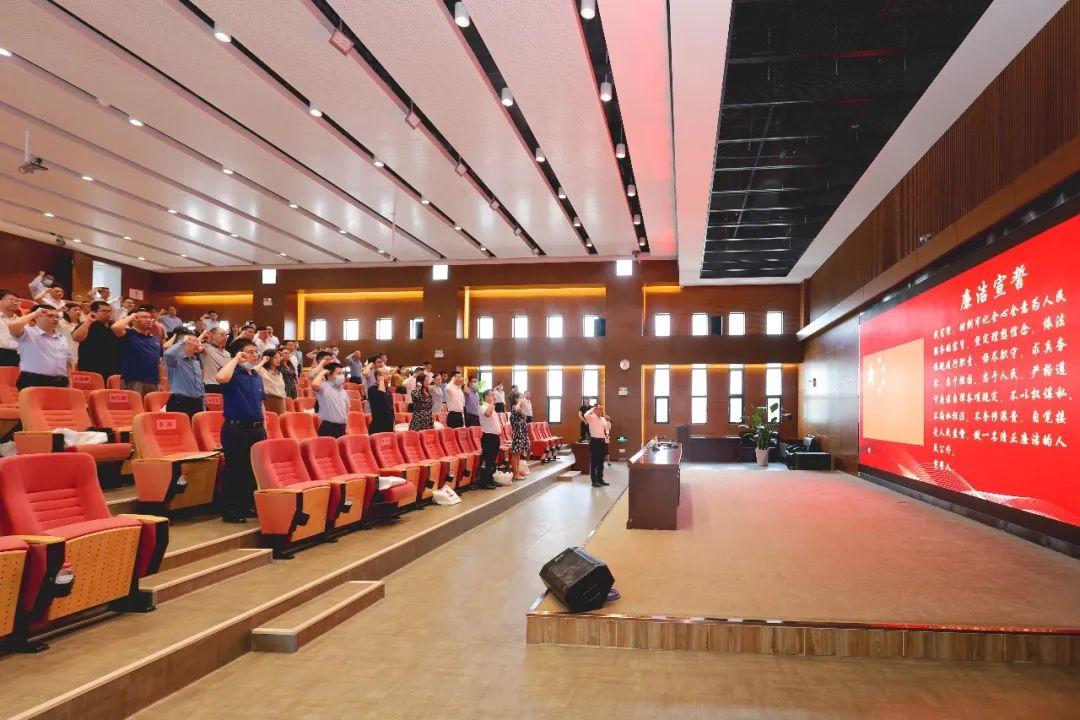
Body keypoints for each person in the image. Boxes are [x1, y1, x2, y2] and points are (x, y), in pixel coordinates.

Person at [215, 342, 266, 523]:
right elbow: (221, 377)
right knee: (235, 468)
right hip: (236, 428)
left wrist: (264, 427)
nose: (255, 355)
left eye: (256, 352)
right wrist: (236, 359)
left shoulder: (256, 376)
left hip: (256, 429)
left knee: (251, 470)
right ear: (240, 354)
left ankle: (246, 505)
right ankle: (230, 509)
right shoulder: (232, 372)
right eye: (250, 352)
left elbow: (261, 404)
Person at [8, 305, 74, 389]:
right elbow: (13, 325)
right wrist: (35, 313)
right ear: (37, 317)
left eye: (57, 316)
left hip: (61, 381)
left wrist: (69, 383)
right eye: (50, 316)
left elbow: (66, 362)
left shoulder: (62, 338)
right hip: (34, 380)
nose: (55, 319)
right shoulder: (28, 333)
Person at [111, 307, 162, 397]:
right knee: (133, 405)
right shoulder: (129, 334)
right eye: (144, 317)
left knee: (151, 406)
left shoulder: (154, 339)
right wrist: (132, 316)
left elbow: (159, 362)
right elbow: (116, 327)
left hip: (154, 381)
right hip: (133, 379)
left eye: (150, 318)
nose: (149, 320)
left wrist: (160, 381)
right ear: (135, 320)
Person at [72, 301, 121, 380]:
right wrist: (89, 320)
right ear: (93, 312)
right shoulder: (88, 324)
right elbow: (76, 337)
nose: (108, 314)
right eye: (104, 311)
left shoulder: (113, 326)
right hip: (91, 369)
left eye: (109, 311)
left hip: (113, 369)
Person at [162, 330, 205, 418]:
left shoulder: (196, 361)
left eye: (197, 341)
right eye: (193, 341)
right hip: (180, 402)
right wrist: (183, 341)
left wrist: (203, 403)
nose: (197, 344)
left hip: (197, 402)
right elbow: (167, 354)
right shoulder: (175, 360)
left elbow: (199, 384)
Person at [311, 357, 349, 439]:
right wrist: (323, 372)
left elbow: (346, 411)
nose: (342, 376)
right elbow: (314, 385)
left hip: (342, 427)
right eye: (339, 373)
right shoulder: (324, 386)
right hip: (328, 427)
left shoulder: (343, 391)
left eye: (342, 373)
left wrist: (346, 427)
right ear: (329, 375)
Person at [476, 389, 503, 489]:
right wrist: (491, 403)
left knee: (492, 461)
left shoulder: (492, 407)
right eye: (492, 395)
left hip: (495, 437)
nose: (494, 397)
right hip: (488, 437)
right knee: (488, 460)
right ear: (487, 397)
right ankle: (485, 482)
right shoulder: (483, 406)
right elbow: (488, 414)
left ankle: (490, 479)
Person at [585, 404, 611, 487]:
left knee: (601, 462)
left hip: (602, 441)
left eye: (602, 409)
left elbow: (608, 428)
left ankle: (600, 479)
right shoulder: (591, 417)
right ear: (595, 409)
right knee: (594, 461)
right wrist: (592, 409)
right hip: (595, 441)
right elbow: (585, 415)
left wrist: (608, 421)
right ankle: (594, 481)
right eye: (599, 409)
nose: (601, 411)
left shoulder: (603, 419)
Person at [256, 349, 287, 415]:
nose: (278, 359)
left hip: (280, 401)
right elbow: (253, 371)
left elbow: (282, 391)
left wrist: (284, 406)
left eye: (280, 357)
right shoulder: (262, 371)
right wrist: (263, 361)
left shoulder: (279, 374)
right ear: (268, 358)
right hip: (268, 401)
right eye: (275, 357)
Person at [200, 327, 230, 395]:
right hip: (211, 384)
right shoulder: (205, 347)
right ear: (212, 335)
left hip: (226, 385)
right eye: (222, 334)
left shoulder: (227, 353)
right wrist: (203, 335)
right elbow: (194, 347)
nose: (225, 337)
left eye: (226, 335)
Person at [367, 366, 395, 434]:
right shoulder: (372, 389)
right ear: (378, 377)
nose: (389, 376)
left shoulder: (388, 391)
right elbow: (381, 396)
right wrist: (381, 381)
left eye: (389, 374)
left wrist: (393, 420)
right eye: (386, 374)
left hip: (389, 425)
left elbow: (391, 408)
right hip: (378, 427)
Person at [508, 395, 530, 481]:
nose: (522, 399)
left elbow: (523, 417)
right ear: (516, 399)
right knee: (515, 454)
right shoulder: (514, 407)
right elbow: (516, 410)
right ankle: (515, 474)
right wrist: (520, 401)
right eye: (520, 398)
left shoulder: (518, 409)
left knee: (518, 454)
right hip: (517, 434)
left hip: (521, 433)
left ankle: (517, 473)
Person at [0, 289, 21, 367]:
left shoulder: (21, 320)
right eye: (11, 300)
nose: (15, 303)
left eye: (17, 301)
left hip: (21, 354)